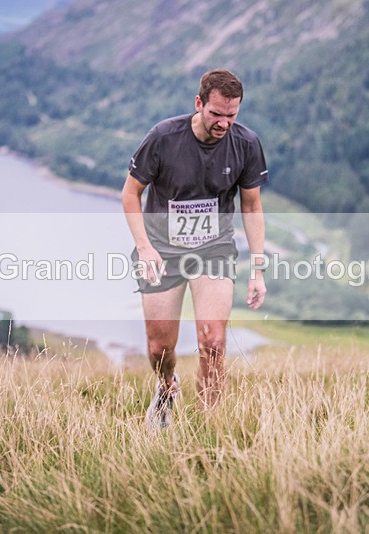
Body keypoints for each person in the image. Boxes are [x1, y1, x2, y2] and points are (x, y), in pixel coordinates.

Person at [121, 69, 269, 428]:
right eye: (216, 114)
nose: (223, 123)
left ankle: (209, 426)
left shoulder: (246, 144)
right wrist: (144, 248)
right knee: (160, 348)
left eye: (232, 115)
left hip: (213, 248)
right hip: (161, 249)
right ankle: (167, 386)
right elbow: (130, 194)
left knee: (214, 341)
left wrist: (258, 270)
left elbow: (251, 207)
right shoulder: (163, 137)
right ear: (199, 103)